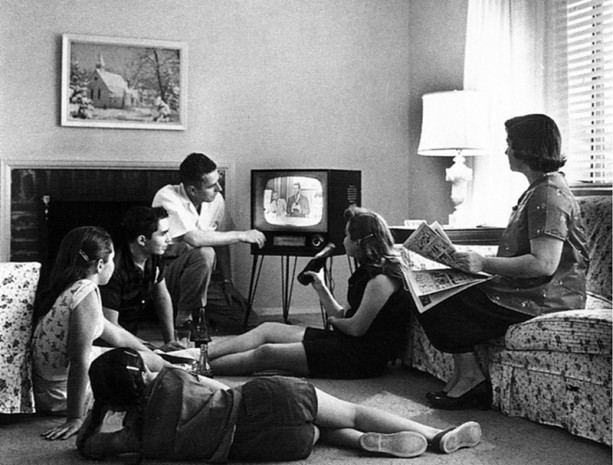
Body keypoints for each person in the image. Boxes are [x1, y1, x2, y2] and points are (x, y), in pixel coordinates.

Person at [413, 114, 589, 410]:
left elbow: (544, 264)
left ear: (526, 148)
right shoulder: (538, 189)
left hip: (545, 298)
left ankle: (471, 380)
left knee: (438, 298)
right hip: (524, 290)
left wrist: (483, 263)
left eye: (510, 144)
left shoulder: (548, 195)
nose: (506, 151)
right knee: (428, 290)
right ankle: (465, 375)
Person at [76, 348, 482, 461]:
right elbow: (205, 380)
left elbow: (89, 447)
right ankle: (435, 434)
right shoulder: (171, 377)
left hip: (269, 448)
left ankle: (360, 444)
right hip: (268, 401)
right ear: (142, 373)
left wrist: (96, 413)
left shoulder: (137, 439)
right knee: (350, 408)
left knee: (317, 433)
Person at [205, 206, 412, 379]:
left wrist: (333, 323)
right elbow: (343, 316)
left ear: (360, 242)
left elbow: (355, 328)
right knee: (267, 329)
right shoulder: (366, 272)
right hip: (346, 342)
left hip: (361, 358)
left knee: (266, 353)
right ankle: (200, 354)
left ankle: (199, 369)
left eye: (347, 235)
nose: (343, 240)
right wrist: (321, 288)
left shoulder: (382, 280)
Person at [31, 226, 169, 441]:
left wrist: (155, 350)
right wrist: (75, 417)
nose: (114, 265)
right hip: (60, 394)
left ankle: (183, 363)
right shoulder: (85, 291)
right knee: (142, 367)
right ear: (100, 264)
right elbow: (79, 361)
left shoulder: (72, 287)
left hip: (49, 387)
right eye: (112, 259)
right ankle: (189, 370)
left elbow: (116, 335)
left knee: (151, 357)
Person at [152, 153, 266, 332]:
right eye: (212, 186)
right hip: (168, 275)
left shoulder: (215, 199)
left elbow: (221, 241)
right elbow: (194, 239)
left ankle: (199, 313)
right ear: (192, 190)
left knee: (249, 321)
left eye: (218, 181)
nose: (219, 188)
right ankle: (184, 315)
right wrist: (242, 235)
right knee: (205, 252)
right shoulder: (166, 196)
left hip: (202, 278)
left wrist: (227, 281)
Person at [99, 206, 182, 351]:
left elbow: (162, 298)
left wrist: (170, 341)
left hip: (133, 340)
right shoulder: (114, 270)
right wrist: (152, 349)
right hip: (109, 344)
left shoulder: (154, 257)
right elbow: (111, 327)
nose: (169, 240)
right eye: (163, 234)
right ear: (142, 240)